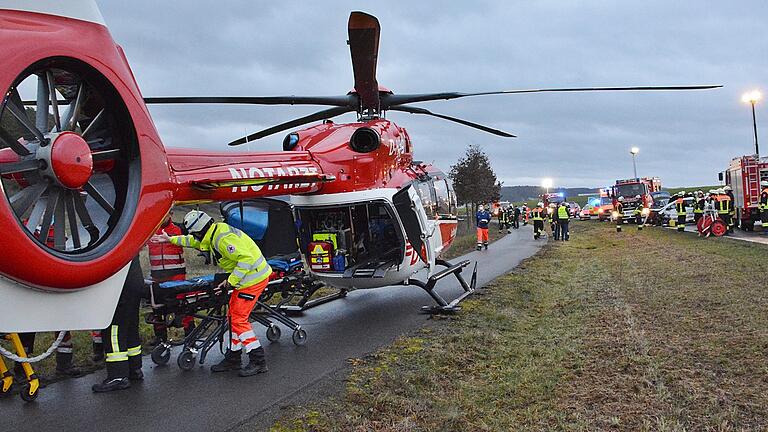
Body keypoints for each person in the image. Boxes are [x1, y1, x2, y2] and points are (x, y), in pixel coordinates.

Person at [155, 210, 272, 377]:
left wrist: (230, 282)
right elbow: (192, 241)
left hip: (253, 279)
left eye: (196, 234)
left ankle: (258, 360)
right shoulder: (212, 233)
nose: (195, 237)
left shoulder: (223, 239)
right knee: (233, 318)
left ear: (201, 230)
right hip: (245, 279)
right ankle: (234, 358)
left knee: (238, 319)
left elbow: (246, 260)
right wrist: (170, 239)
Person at [92, 257, 144, 393]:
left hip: (120, 287)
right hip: (134, 282)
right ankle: (134, 368)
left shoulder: (111, 237)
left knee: (114, 331)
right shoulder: (127, 238)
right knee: (131, 327)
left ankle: (118, 376)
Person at [147, 212, 194, 344]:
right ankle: (160, 338)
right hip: (157, 276)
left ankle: (190, 335)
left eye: (166, 214)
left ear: (171, 214)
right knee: (157, 308)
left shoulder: (178, 229)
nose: (162, 217)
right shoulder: (149, 230)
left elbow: (193, 240)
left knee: (183, 306)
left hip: (177, 275)